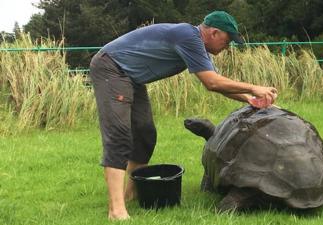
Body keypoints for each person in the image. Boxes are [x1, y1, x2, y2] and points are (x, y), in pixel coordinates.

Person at [89, 11, 277, 220]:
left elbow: (217, 84)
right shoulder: (188, 36)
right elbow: (212, 82)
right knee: (120, 135)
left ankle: (131, 193)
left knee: (145, 132)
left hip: (132, 76)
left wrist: (250, 100)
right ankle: (116, 210)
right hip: (111, 68)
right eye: (227, 40)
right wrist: (254, 88)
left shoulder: (196, 45)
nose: (228, 46)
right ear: (214, 33)